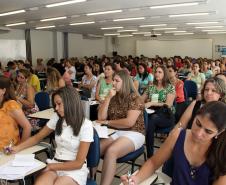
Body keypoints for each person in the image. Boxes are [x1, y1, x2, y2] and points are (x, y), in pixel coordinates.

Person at [121, 101, 226, 185]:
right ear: (194, 117)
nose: (198, 133)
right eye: (198, 123)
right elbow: (154, 163)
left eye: (208, 131)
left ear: (219, 133)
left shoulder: (222, 152)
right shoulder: (178, 135)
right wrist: (135, 179)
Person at [12, 86, 94, 185]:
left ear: (70, 102)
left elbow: (78, 163)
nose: (56, 108)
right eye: (55, 104)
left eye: (59, 104)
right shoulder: (57, 117)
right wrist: (16, 148)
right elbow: (37, 138)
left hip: (74, 169)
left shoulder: (86, 125)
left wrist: (51, 167)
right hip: (55, 163)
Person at [96, 70, 145, 185]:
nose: (113, 83)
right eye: (113, 80)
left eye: (117, 81)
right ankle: (91, 180)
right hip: (116, 131)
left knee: (111, 151)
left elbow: (129, 122)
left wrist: (108, 122)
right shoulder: (113, 97)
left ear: (125, 83)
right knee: (95, 148)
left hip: (135, 133)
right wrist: (108, 98)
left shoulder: (135, 98)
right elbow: (101, 117)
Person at [141, 65, 176, 157]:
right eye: (156, 72)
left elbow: (168, 104)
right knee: (146, 118)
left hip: (166, 114)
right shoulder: (151, 87)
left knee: (150, 121)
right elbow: (141, 100)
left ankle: (150, 156)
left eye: (160, 72)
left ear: (165, 74)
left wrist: (152, 103)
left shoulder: (170, 87)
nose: (157, 74)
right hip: (152, 112)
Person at [0, 76, 31, 151]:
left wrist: (19, 148)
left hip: (7, 150)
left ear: (3, 91)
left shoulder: (11, 105)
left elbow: (27, 127)